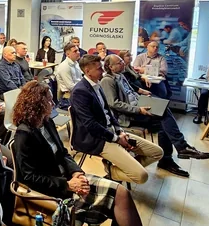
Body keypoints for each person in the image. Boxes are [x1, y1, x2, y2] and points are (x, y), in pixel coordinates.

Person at [12, 81, 193, 226]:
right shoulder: (24, 134)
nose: (53, 102)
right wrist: (67, 184)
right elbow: (29, 178)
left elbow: (64, 154)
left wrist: (76, 172)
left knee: (121, 201)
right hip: (52, 196)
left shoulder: (45, 122)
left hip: (69, 182)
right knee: (120, 199)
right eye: (47, 99)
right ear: (36, 104)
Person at [100, 55, 209, 178]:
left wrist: (142, 93)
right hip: (128, 115)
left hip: (138, 105)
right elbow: (113, 103)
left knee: (163, 113)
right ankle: (179, 149)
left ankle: (172, 155)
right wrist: (139, 109)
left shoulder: (120, 75)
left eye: (122, 61)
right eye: (119, 62)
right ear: (110, 67)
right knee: (163, 116)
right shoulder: (107, 81)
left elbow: (130, 90)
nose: (123, 63)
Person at [70, 55, 164, 185]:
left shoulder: (97, 85)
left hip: (112, 132)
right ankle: (113, 172)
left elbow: (108, 112)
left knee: (158, 152)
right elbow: (91, 125)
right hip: (97, 139)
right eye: (99, 69)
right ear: (87, 71)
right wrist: (116, 139)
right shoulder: (80, 91)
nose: (103, 71)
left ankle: (122, 169)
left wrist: (120, 131)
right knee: (142, 177)